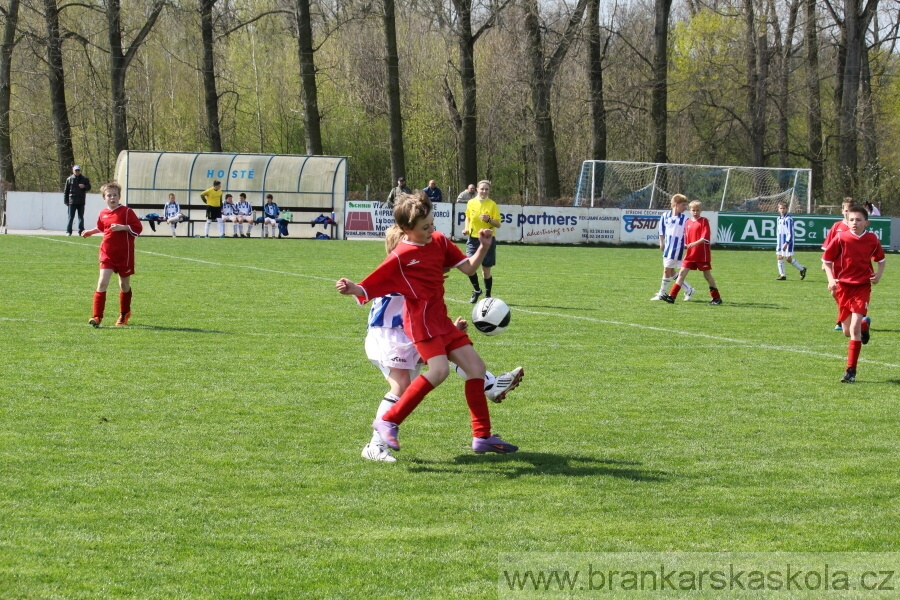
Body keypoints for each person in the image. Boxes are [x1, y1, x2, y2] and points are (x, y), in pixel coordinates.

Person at [336, 191, 518, 455]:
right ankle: (389, 420)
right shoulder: (400, 255)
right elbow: (373, 282)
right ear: (406, 229)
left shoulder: (440, 240)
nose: (432, 230)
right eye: (425, 227)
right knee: (439, 371)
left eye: (433, 224)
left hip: (440, 319)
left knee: (476, 367)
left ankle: (482, 436)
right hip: (420, 323)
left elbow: (467, 268)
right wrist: (355, 288)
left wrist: (483, 247)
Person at [822, 205, 886, 383]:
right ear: (847, 221)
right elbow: (826, 261)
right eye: (851, 219)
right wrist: (831, 279)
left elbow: (881, 260)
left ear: (867, 222)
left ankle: (851, 371)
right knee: (846, 331)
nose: (854, 223)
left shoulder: (872, 239)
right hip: (843, 287)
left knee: (854, 329)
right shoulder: (841, 237)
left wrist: (878, 275)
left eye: (858, 220)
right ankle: (865, 326)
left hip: (862, 287)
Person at [81, 182, 142, 327]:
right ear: (104, 198)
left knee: (124, 285)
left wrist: (123, 227)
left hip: (124, 255)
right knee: (102, 282)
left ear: (119, 197)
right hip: (107, 253)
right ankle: (97, 317)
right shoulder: (103, 213)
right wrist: (91, 231)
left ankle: (124, 313)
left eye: (115, 195)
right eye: (109, 195)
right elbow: (101, 227)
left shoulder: (127, 212)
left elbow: (138, 228)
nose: (112, 198)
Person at [661, 200, 723, 305]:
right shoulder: (688, 222)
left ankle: (716, 298)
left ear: (701, 210)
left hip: (701, 254)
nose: (695, 212)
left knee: (707, 275)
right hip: (690, 254)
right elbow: (686, 237)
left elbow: (705, 237)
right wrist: (686, 245)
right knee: (681, 273)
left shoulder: (704, 221)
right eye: (693, 210)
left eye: (697, 210)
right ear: (690, 210)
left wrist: (694, 244)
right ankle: (672, 296)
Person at [651, 194, 695, 301]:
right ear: (676, 204)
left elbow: (688, 233)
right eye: (683, 205)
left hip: (677, 248)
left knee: (667, 270)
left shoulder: (685, 219)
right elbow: (661, 231)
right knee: (671, 272)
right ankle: (689, 289)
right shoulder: (665, 216)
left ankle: (662, 293)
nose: (685, 207)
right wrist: (661, 243)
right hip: (668, 248)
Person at [463, 180, 500, 303]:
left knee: (486, 270)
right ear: (477, 189)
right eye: (482, 189)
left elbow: (498, 224)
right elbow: (468, 217)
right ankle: (477, 290)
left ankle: (488, 295)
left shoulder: (492, 205)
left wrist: (489, 219)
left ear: (489, 191)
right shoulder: (471, 203)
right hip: (473, 239)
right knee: (469, 267)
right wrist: (466, 228)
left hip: (487, 239)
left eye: (486, 189)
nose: (484, 191)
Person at [823, 198, 853, 330]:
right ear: (842, 211)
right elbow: (827, 246)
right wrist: (824, 262)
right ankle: (848, 315)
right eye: (846, 210)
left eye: (850, 211)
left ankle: (842, 320)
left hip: (850, 267)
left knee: (845, 293)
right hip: (836, 266)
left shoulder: (855, 227)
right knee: (835, 293)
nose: (848, 213)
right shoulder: (837, 226)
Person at [775, 201, 807, 281]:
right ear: (778, 209)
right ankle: (783, 275)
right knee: (779, 256)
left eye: (784, 208)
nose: (782, 210)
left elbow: (790, 232)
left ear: (787, 209)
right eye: (781, 208)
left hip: (787, 242)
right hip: (780, 241)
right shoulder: (779, 218)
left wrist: (787, 243)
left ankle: (802, 269)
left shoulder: (788, 219)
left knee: (788, 259)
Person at [63, 165, 92, 236]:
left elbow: (89, 187)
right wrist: (66, 201)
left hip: (81, 201)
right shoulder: (69, 179)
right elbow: (66, 191)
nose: (77, 171)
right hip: (72, 201)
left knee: (81, 217)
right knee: (70, 217)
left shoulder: (84, 179)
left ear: (80, 171)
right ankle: (68, 231)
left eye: (78, 170)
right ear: (73, 171)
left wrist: (84, 186)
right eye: (76, 170)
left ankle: (81, 231)